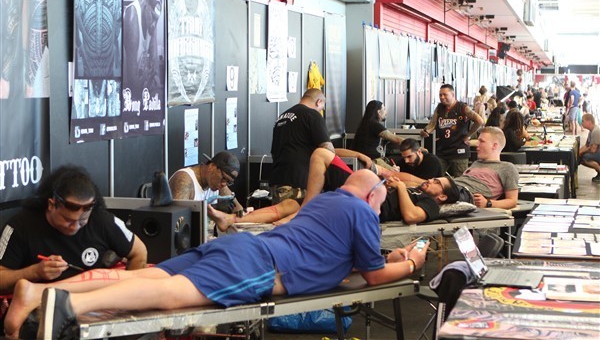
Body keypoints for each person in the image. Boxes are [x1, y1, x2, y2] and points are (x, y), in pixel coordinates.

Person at [4, 170, 429, 339]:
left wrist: (388, 259)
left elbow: (353, 260)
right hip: (260, 265)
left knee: (148, 277)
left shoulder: (325, 201)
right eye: (382, 200)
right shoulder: (363, 211)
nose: (381, 208)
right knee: (169, 296)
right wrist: (412, 263)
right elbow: (373, 276)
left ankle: (36, 293)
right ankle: (69, 305)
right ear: (372, 195)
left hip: (240, 246)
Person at [209, 148, 460, 231]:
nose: (432, 181)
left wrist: (402, 188)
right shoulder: (419, 187)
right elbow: (402, 176)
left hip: (363, 202)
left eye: (438, 183)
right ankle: (230, 219)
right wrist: (386, 172)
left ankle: (302, 212)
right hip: (362, 186)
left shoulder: (430, 204)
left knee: (320, 156)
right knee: (291, 203)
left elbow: (411, 216)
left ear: (442, 196)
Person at [0, 166, 147, 295]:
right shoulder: (20, 226)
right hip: (40, 303)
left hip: (93, 301)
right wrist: (35, 272)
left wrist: (126, 295)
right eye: (67, 219)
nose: (75, 226)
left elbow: (139, 252)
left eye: (82, 221)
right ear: (51, 205)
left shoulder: (103, 221)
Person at [269, 89, 369, 203]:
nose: (321, 111)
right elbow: (328, 151)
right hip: (299, 184)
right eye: (322, 108)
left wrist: (356, 154)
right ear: (319, 102)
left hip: (277, 182)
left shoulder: (281, 117)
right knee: (302, 214)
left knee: (280, 214)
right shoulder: (312, 114)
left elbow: (275, 152)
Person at [420, 84, 484, 177]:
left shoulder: (462, 107)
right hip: (442, 150)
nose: (442, 97)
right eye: (440, 95)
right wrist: (426, 131)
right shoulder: (439, 108)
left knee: (460, 180)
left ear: (453, 95)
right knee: (435, 177)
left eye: (445, 94)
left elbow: (480, 121)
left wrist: (468, 135)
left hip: (459, 150)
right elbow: (433, 123)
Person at [449, 127, 519, 209]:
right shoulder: (476, 163)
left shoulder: (507, 168)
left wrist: (488, 203)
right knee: (438, 182)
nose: (477, 144)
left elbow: (512, 201)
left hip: (464, 194)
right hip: (453, 186)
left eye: (481, 141)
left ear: (494, 146)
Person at [123, 0, 163, 90]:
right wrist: (149, 77)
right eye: (152, 15)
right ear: (146, 1)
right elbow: (132, 80)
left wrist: (155, 76)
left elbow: (154, 64)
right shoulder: (132, 16)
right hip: (128, 89)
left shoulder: (151, 16)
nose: (154, 24)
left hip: (142, 85)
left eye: (156, 19)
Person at [168, 151, 243, 213]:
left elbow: (239, 210)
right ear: (212, 167)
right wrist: (213, 208)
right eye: (223, 178)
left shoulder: (219, 183)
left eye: (228, 182)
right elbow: (180, 218)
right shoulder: (184, 180)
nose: (224, 184)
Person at [352, 100, 405, 169]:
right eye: (384, 109)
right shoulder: (374, 124)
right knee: (395, 173)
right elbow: (396, 139)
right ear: (379, 112)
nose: (386, 112)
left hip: (365, 161)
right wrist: (414, 145)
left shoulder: (365, 123)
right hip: (373, 161)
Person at [579, 113, 600, 183]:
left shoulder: (596, 131)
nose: (581, 123)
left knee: (585, 157)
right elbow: (587, 145)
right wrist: (578, 153)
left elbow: (593, 150)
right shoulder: (591, 131)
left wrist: (581, 153)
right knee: (580, 157)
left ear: (589, 121)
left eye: (583, 121)